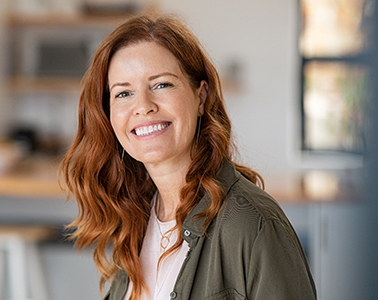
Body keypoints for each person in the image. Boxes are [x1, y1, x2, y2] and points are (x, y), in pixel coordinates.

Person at [60, 14, 316, 300]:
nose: (143, 106)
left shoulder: (253, 225)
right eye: (123, 93)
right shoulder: (135, 217)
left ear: (201, 97)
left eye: (162, 85)